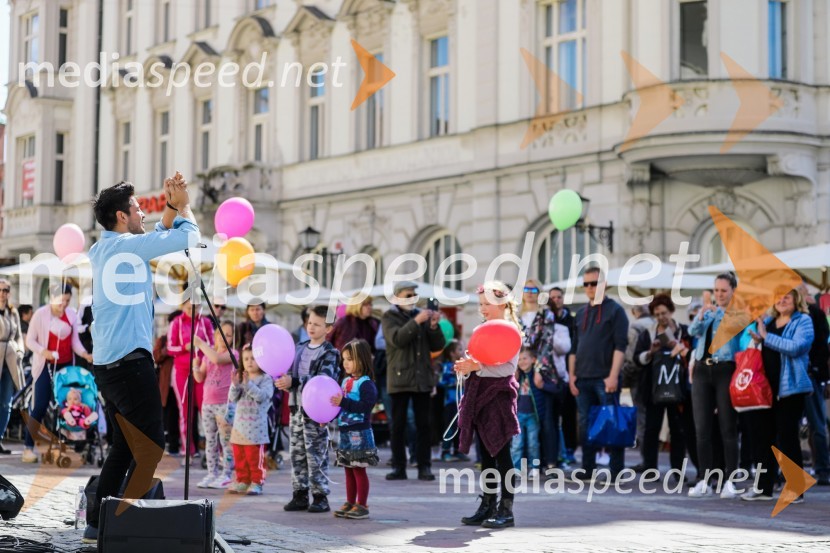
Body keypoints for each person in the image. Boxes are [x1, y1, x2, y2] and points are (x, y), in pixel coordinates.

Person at [84, 174, 198, 544]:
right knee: (150, 445)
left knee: (123, 444)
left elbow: (156, 232)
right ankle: (124, 524)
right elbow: (186, 236)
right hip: (130, 364)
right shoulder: (129, 250)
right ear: (121, 216)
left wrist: (169, 206)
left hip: (107, 365)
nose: (143, 212)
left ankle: (96, 525)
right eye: (137, 208)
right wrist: (183, 206)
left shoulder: (105, 248)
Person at [456, 281, 520, 529]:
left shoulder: (510, 329)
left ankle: (507, 509)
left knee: (502, 454)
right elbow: (478, 359)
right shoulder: (483, 328)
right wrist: (466, 367)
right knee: (486, 456)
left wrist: (477, 367)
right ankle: (487, 505)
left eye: (487, 304)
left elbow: (507, 368)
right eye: (480, 304)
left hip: (500, 397)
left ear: (502, 304)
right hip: (480, 396)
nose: (482, 308)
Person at [741, 287, 815, 501]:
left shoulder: (803, 321)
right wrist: (757, 339)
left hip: (790, 389)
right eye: (778, 297)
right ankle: (764, 487)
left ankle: (795, 488)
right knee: (762, 438)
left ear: (796, 299)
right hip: (765, 389)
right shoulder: (769, 322)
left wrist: (766, 337)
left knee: (787, 437)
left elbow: (796, 347)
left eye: (787, 297)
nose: (782, 300)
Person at [687, 272, 747, 499]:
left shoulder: (737, 313)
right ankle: (704, 478)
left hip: (726, 369)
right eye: (716, 291)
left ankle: (730, 479)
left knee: (727, 427)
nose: (719, 295)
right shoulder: (708, 311)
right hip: (703, 368)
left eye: (723, 291)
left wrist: (716, 311)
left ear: (733, 291)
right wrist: (702, 315)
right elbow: (693, 332)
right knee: (701, 428)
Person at [276, 305, 341, 513]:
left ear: (328, 328)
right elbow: (287, 370)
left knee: (316, 454)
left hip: (316, 412)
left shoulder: (330, 352)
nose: (311, 327)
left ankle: (320, 495)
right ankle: (300, 493)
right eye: (310, 322)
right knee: (297, 452)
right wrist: (284, 381)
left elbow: (324, 379)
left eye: (317, 324)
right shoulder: (300, 347)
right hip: (296, 408)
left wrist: (294, 381)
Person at [568, 266, 629, 479]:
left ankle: (616, 470)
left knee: (611, 422)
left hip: (605, 377)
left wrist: (613, 376)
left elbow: (621, 346)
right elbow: (574, 347)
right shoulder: (581, 313)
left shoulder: (616, 310)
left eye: (594, 283)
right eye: (586, 284)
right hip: (582, 378)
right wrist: (572, 375)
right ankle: (587, 469)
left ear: (603, 284)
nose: (589, 288)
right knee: (585, 425)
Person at [382, 281, 445, 481]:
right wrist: (416, 321)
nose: (411, 299)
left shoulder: (421, 316)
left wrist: (434, 326)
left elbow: (438, 345)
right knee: (398, 425)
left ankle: (424, 466)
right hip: (400, 377)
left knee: (423, 424)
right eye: (407, 295)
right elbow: (397, 339)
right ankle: (399, 466)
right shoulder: (389, 316)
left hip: (421, 378)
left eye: (413, 295)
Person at [23, 284, 92, 463]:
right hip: (45, 365)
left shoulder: (71, 314)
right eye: (61, 301)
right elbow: (30, 340)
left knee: (66, 405)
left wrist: (85, 354)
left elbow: (75, 342)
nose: (64, 305)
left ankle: (61, 446)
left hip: (66, 366)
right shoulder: (40, 314)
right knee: (40, 405)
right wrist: (43, 351)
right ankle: (28, 448)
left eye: (67, 301)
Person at [633, 294, 694, 477]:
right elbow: (637, 358)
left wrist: (681, 349)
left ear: (672, 311)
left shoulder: (684, 331)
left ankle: (677, 470)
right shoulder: (648, 333)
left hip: (678, 388)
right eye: (657, 314)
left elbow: (691, 356)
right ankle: (650, 468)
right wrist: (650, 352)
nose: (661, 317)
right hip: (653, 389)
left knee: (678, 431)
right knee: (652, 429)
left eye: (664, 313)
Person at [330, 339, 379, 520]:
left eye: (350, 359)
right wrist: (327, 418)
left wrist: (344, 402)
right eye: (344, 359)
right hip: (345, 431)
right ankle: (350, 502)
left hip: (359, 432)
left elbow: (366, 406)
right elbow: (339, 407)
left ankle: (362, 504)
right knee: (348, 468)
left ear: (362, 360)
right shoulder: (344, 381)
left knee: (358, 469)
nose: (346, 363)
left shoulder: (366, 384)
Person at [525, 295, 571, 471]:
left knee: (551, 422)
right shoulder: (535, 327)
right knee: (536, 419)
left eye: (548, 311)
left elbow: (565, 348)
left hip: (554, 380)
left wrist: (549, 332)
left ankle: (552, 460)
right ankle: (538, 460)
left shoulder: (560, 329)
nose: (545, 315)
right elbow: (529, 345)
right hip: (534, 378)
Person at [167, 296, 214, 459]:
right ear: (182, 306)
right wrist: (184, 347)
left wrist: (202, 346)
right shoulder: (176, 323)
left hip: (202, 370)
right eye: (188, 308)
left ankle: (214, 449)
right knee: (185, 411)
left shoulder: (205, 322)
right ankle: (188, 449)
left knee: (207, 409)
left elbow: (213, 344)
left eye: (195, 307)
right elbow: (170, 348)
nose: (192, 311)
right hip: (182, 371)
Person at [193, 321, 237, 489]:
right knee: (210, 440)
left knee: (225, 441)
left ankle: (226, 473)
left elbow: (217, 359)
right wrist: (196, 368)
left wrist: (201, 344)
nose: (224, 338)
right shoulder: (207, 353)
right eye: (221, 334)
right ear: (215, 335)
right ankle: (212, 473)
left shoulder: (233, 354)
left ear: (233, 339)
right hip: (207, 403)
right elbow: (200, 377)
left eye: (228, 335)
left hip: (224, 404)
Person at [228, 344, 274, 495]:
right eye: (246, 358)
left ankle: (257, 481)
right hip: (240, 427)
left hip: (256, 430)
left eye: (253, 358)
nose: (249, 362)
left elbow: (262, 396)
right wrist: (235, 385)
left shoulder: (266, 378)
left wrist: (248, 384)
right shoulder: (241, 377)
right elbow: (232, 398)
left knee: (254, 458)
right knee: (240, 457)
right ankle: (242, 480)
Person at [797, 282, 830, 486]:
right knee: (793, 426)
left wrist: (817, 371)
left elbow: (823, 344)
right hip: (796, 376)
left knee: (817, 423)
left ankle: (823, 468)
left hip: (810, 375)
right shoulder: (785, 315)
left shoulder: (815, 313)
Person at [548, 287, 578, 465]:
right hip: (549, 373)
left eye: (559, 297)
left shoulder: (571, 321)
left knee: (568, 413)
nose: (556, 300)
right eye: (553, 297)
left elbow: (574, 346)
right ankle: (554, 451)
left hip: (568, 372)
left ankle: (569, 449)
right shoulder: (544, 318)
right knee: (550, 415)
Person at [624, 304, 654, 454]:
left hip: (639, 377)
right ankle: (650, 456)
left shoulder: (634, 327)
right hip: (657, 377)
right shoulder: (656, 324)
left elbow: (630, 356)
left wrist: (627, 376)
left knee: (641, 416)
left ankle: (645, 457)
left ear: (634, 312)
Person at [0, 279, 24, 455]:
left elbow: (19, 337)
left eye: (6, 290)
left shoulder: (13, 312)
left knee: (6, 403)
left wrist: (21, 351)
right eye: (0, 290)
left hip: (11, 360)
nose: (3, 293)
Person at [511, 347, 542, 478]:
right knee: (517, 444)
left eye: (525, 358)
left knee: (533, 443)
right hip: (518, 415)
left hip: (532, 416)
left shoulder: (535, 375)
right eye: (519, 359)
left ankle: (534, 467)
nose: (522, 362)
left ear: (533, 360)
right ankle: (516, 468)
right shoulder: (517, 376)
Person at [154, 310, 181, 455]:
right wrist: (168, 349)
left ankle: (176, 445)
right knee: (167, 416)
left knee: (178, 416)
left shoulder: (188, 340)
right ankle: (167, 445)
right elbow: (156, 356)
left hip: (182, 384)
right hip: (167, 384)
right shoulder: (163, 339)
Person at [438, 340, 468, 462]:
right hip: (451, 401)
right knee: (450, 426)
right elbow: (441, 382)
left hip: (462, 401)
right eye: (459, 349)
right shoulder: (447, 367)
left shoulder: (464, 365)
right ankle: (445, 451)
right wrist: (453, 383)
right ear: (452, 353)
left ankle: (458, 450)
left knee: (460, 426)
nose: (462, 352)